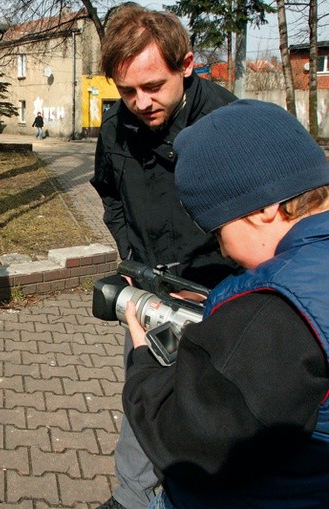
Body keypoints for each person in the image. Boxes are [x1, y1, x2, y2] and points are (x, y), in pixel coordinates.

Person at [123, 99, 329, 508]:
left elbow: (191, 442)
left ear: (265, 207)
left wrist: (145, 364)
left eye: (218, 229)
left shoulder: (275, 315)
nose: (224, 250)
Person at [88, 4, 239, 508]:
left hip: (220, 296)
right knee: (144, 389)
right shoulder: (115, 129)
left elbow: (264, 221)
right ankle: (132, 497)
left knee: (215, 411)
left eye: (153, 86)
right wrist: (132, 257)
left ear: (187, 64)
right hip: (150, 291)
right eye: (126, 90)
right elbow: (109, 193)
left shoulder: (228, 123)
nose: (140, 102)